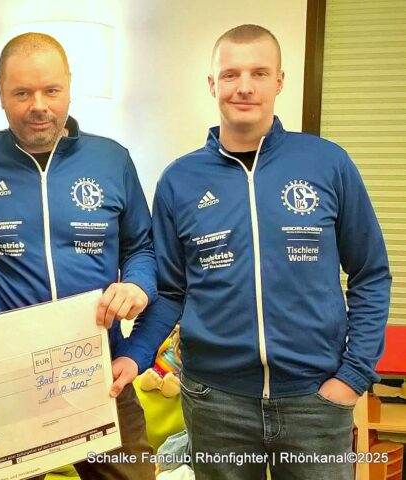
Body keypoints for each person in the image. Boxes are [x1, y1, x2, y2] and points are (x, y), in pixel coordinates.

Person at [150, 24, 391, 479]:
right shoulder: (179, 181)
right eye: (231, 74)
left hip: (315, 401)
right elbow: (168, 291)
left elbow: (371, 274)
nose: (244, 86)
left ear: (279, 81)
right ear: (212, 84)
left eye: (259, 73)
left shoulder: (327, 163)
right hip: (215, 402)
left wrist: (354, 375)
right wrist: (133, 354)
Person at [0, 32, 168, 480]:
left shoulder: (112, 159)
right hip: (8, 381)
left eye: (51, 90)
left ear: (69, 87)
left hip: (99, 369)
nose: (38, 106)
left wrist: (137, 286)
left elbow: (141, 247)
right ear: (1, 94)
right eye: (22, 93)